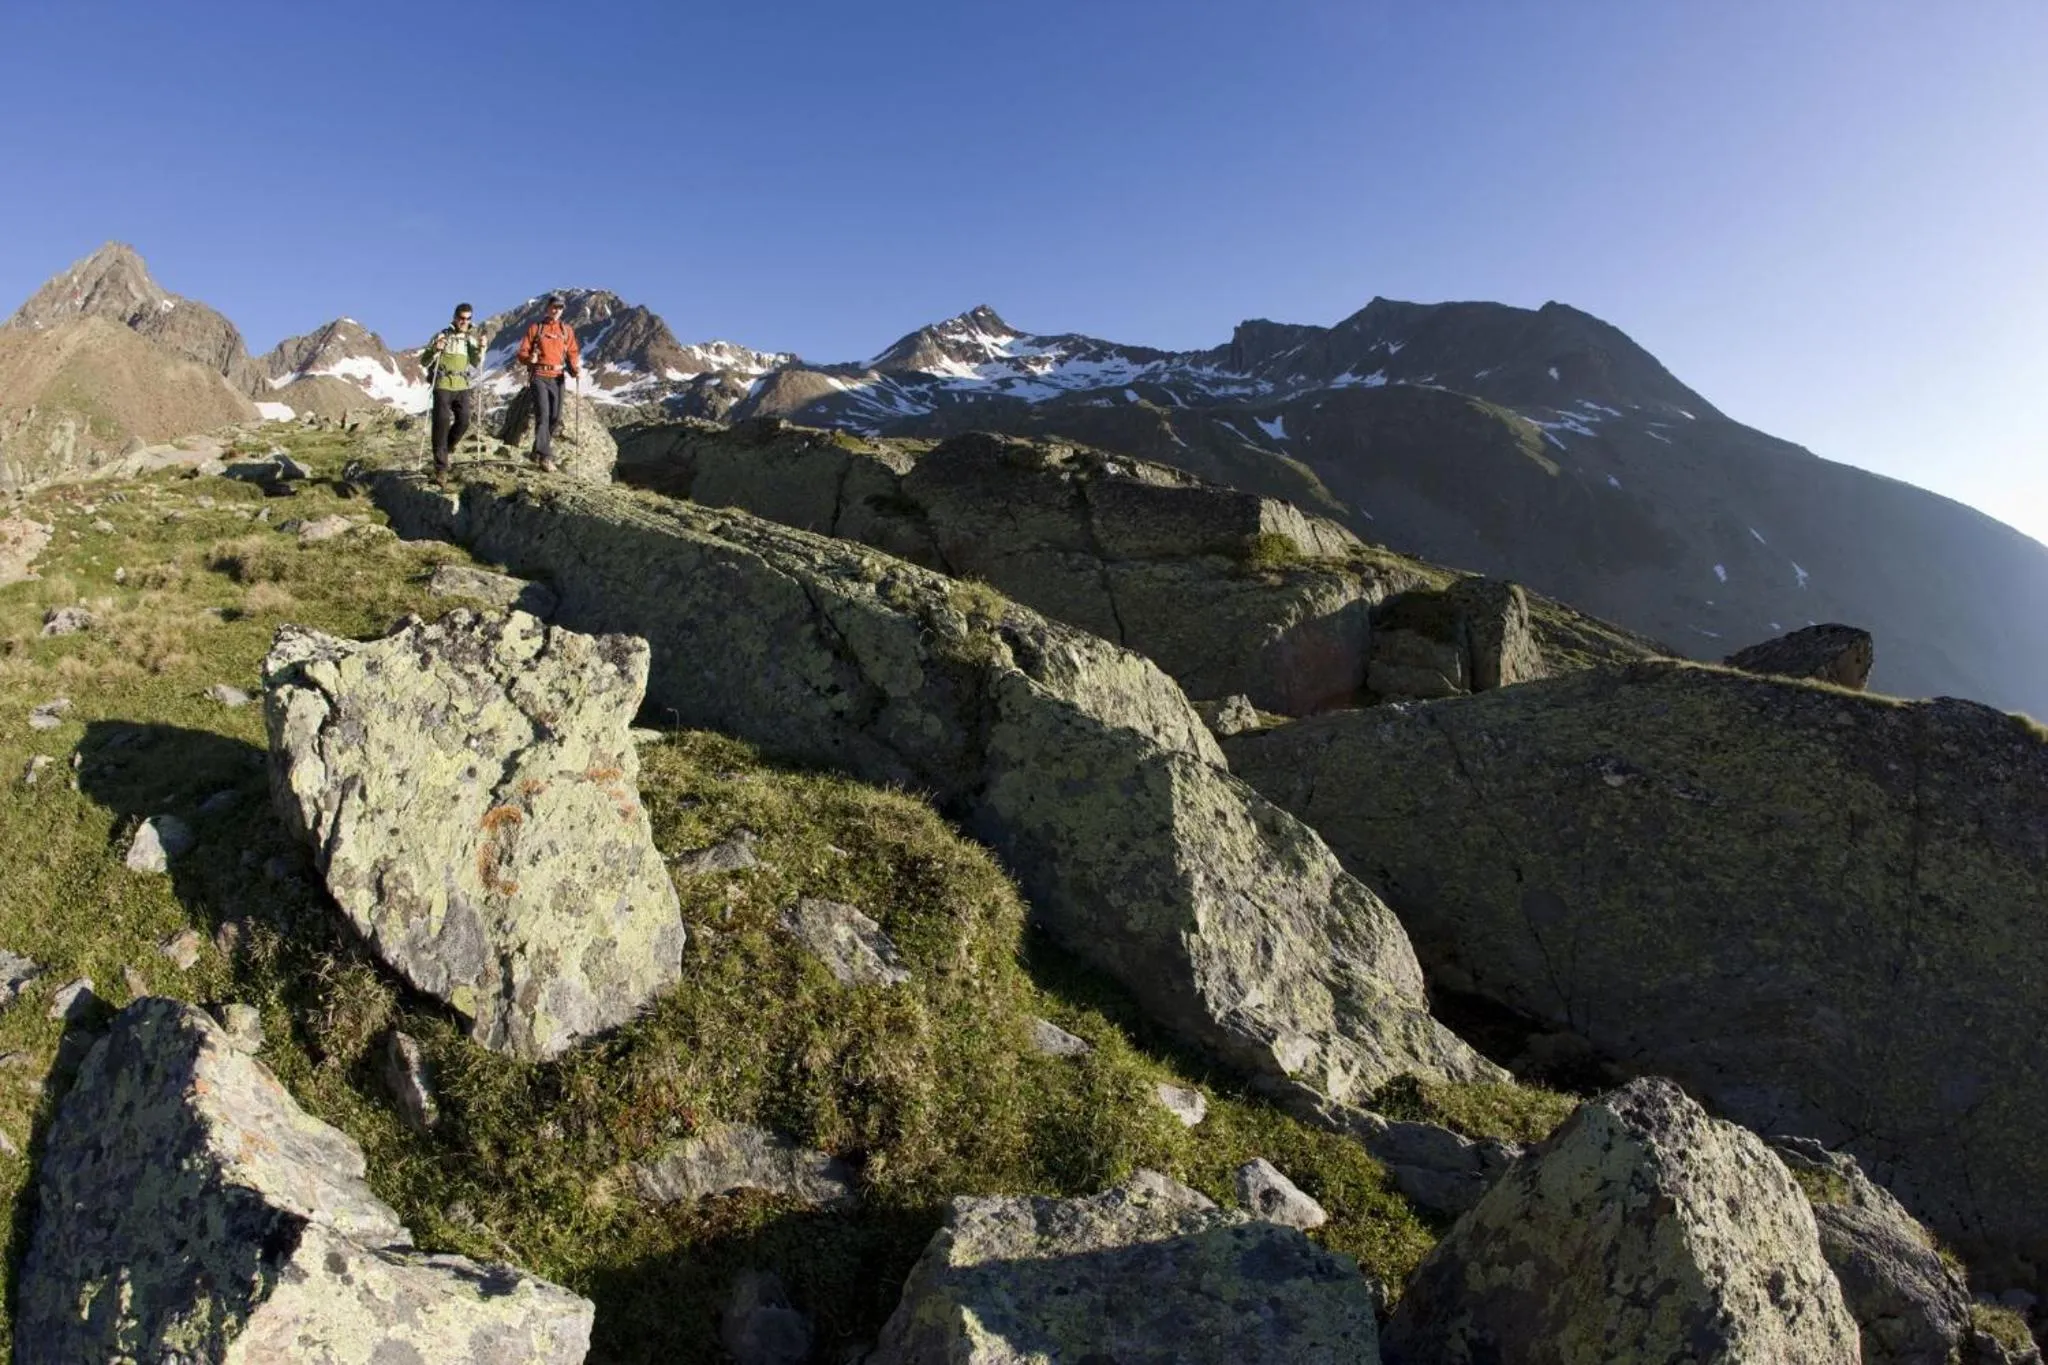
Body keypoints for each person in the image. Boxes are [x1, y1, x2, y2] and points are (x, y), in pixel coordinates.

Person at [420, 302, 486, 480]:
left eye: (468, 318)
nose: (464, 321)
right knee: (441, 423)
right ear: (455, 318)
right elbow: (424, 361)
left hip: (462, 385)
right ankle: (441, 469)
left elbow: (476, 362)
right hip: (442, 384)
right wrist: (435, 348)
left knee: (464, 421)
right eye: (461, 318)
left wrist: (482, 348)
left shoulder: (470, 340)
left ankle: (447, 448)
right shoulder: (442, 336)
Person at [515, 294, 581, 472]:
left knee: (555, 417)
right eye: (554, 307)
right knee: (543, 415)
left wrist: (574, 368)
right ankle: (545, 457)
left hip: (558, 377)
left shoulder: (566, 330)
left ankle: (536, 451)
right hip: (539, 376)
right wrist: (529, 358)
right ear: (547, 308)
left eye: (560, 308)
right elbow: (522, 352)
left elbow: (572, 352)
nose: (557, 310)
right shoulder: (536, 328)